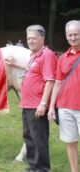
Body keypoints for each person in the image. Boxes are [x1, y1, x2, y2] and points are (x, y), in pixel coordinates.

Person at [9, 25, 56, 172]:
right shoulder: (34, 56)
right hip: (27, 104)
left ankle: (42, 168)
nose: (30, 41)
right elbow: (32, 70)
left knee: (39, 138)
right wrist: (14, 64)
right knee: (29, 136)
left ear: (42, 38)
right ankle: (33, 166)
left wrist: (43, 104)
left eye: (33, 38)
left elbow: (50, 80)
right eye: (28, 38)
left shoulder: (47, 55)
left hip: (37, 105)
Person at [48, 20, 80, 172]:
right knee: (71, 142)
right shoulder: (62, 58)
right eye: (70, 35)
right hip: (65, 107)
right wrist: (52, 107)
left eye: (76, 34)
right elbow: (57, 83)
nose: (73, 38)